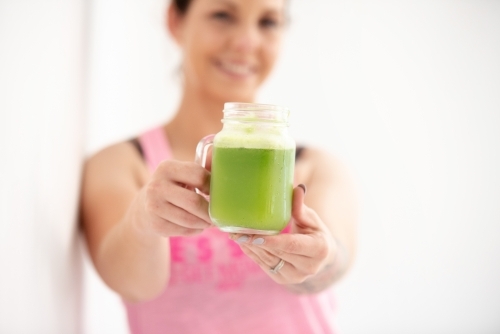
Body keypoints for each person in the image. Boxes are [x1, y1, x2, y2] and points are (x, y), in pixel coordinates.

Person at [80, 0, 357, 332]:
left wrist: (320, 258)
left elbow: (335, 263)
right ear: (175, 20)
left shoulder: (318, 167)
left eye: (268, 22)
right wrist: (142, 219)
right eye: (223, 15)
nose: (246, 42)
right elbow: (133, 286)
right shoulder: (122, 164)